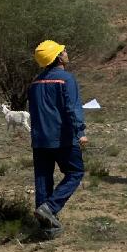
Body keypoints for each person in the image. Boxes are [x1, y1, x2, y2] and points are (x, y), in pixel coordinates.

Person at [29, 40, 87, 236]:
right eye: (64, 50)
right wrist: (80, 132)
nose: (66, 52)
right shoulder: (66, 79)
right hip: (62, 138)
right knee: (75, 172)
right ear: (58, 57)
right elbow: (71, 108)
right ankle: (50, 208)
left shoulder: (35, 83)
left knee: (43, 179)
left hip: (39, 139)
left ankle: (46, 228)